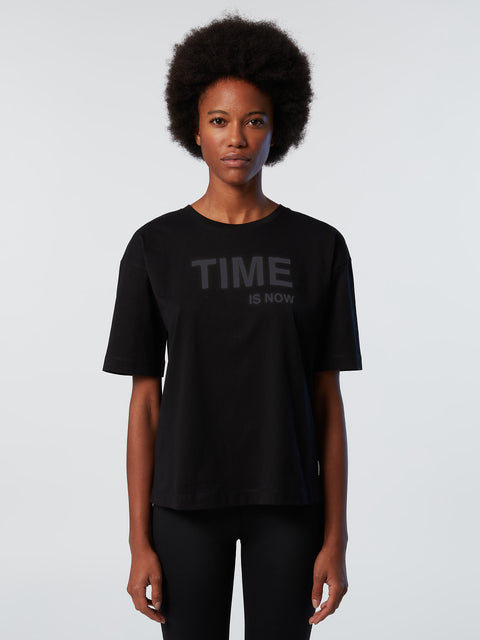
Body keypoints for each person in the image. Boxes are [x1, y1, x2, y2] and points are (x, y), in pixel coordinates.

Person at [102, 12, 362, 640]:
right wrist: (139, 542)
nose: (237, 138)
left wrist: (336, 537)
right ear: (194, 130)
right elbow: (144, 403)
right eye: (219, 121)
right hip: (184, 504)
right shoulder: (155, 247)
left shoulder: (319, 247)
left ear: (279, 128)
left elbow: (327, 401)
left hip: (290, 504)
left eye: (255, 121)